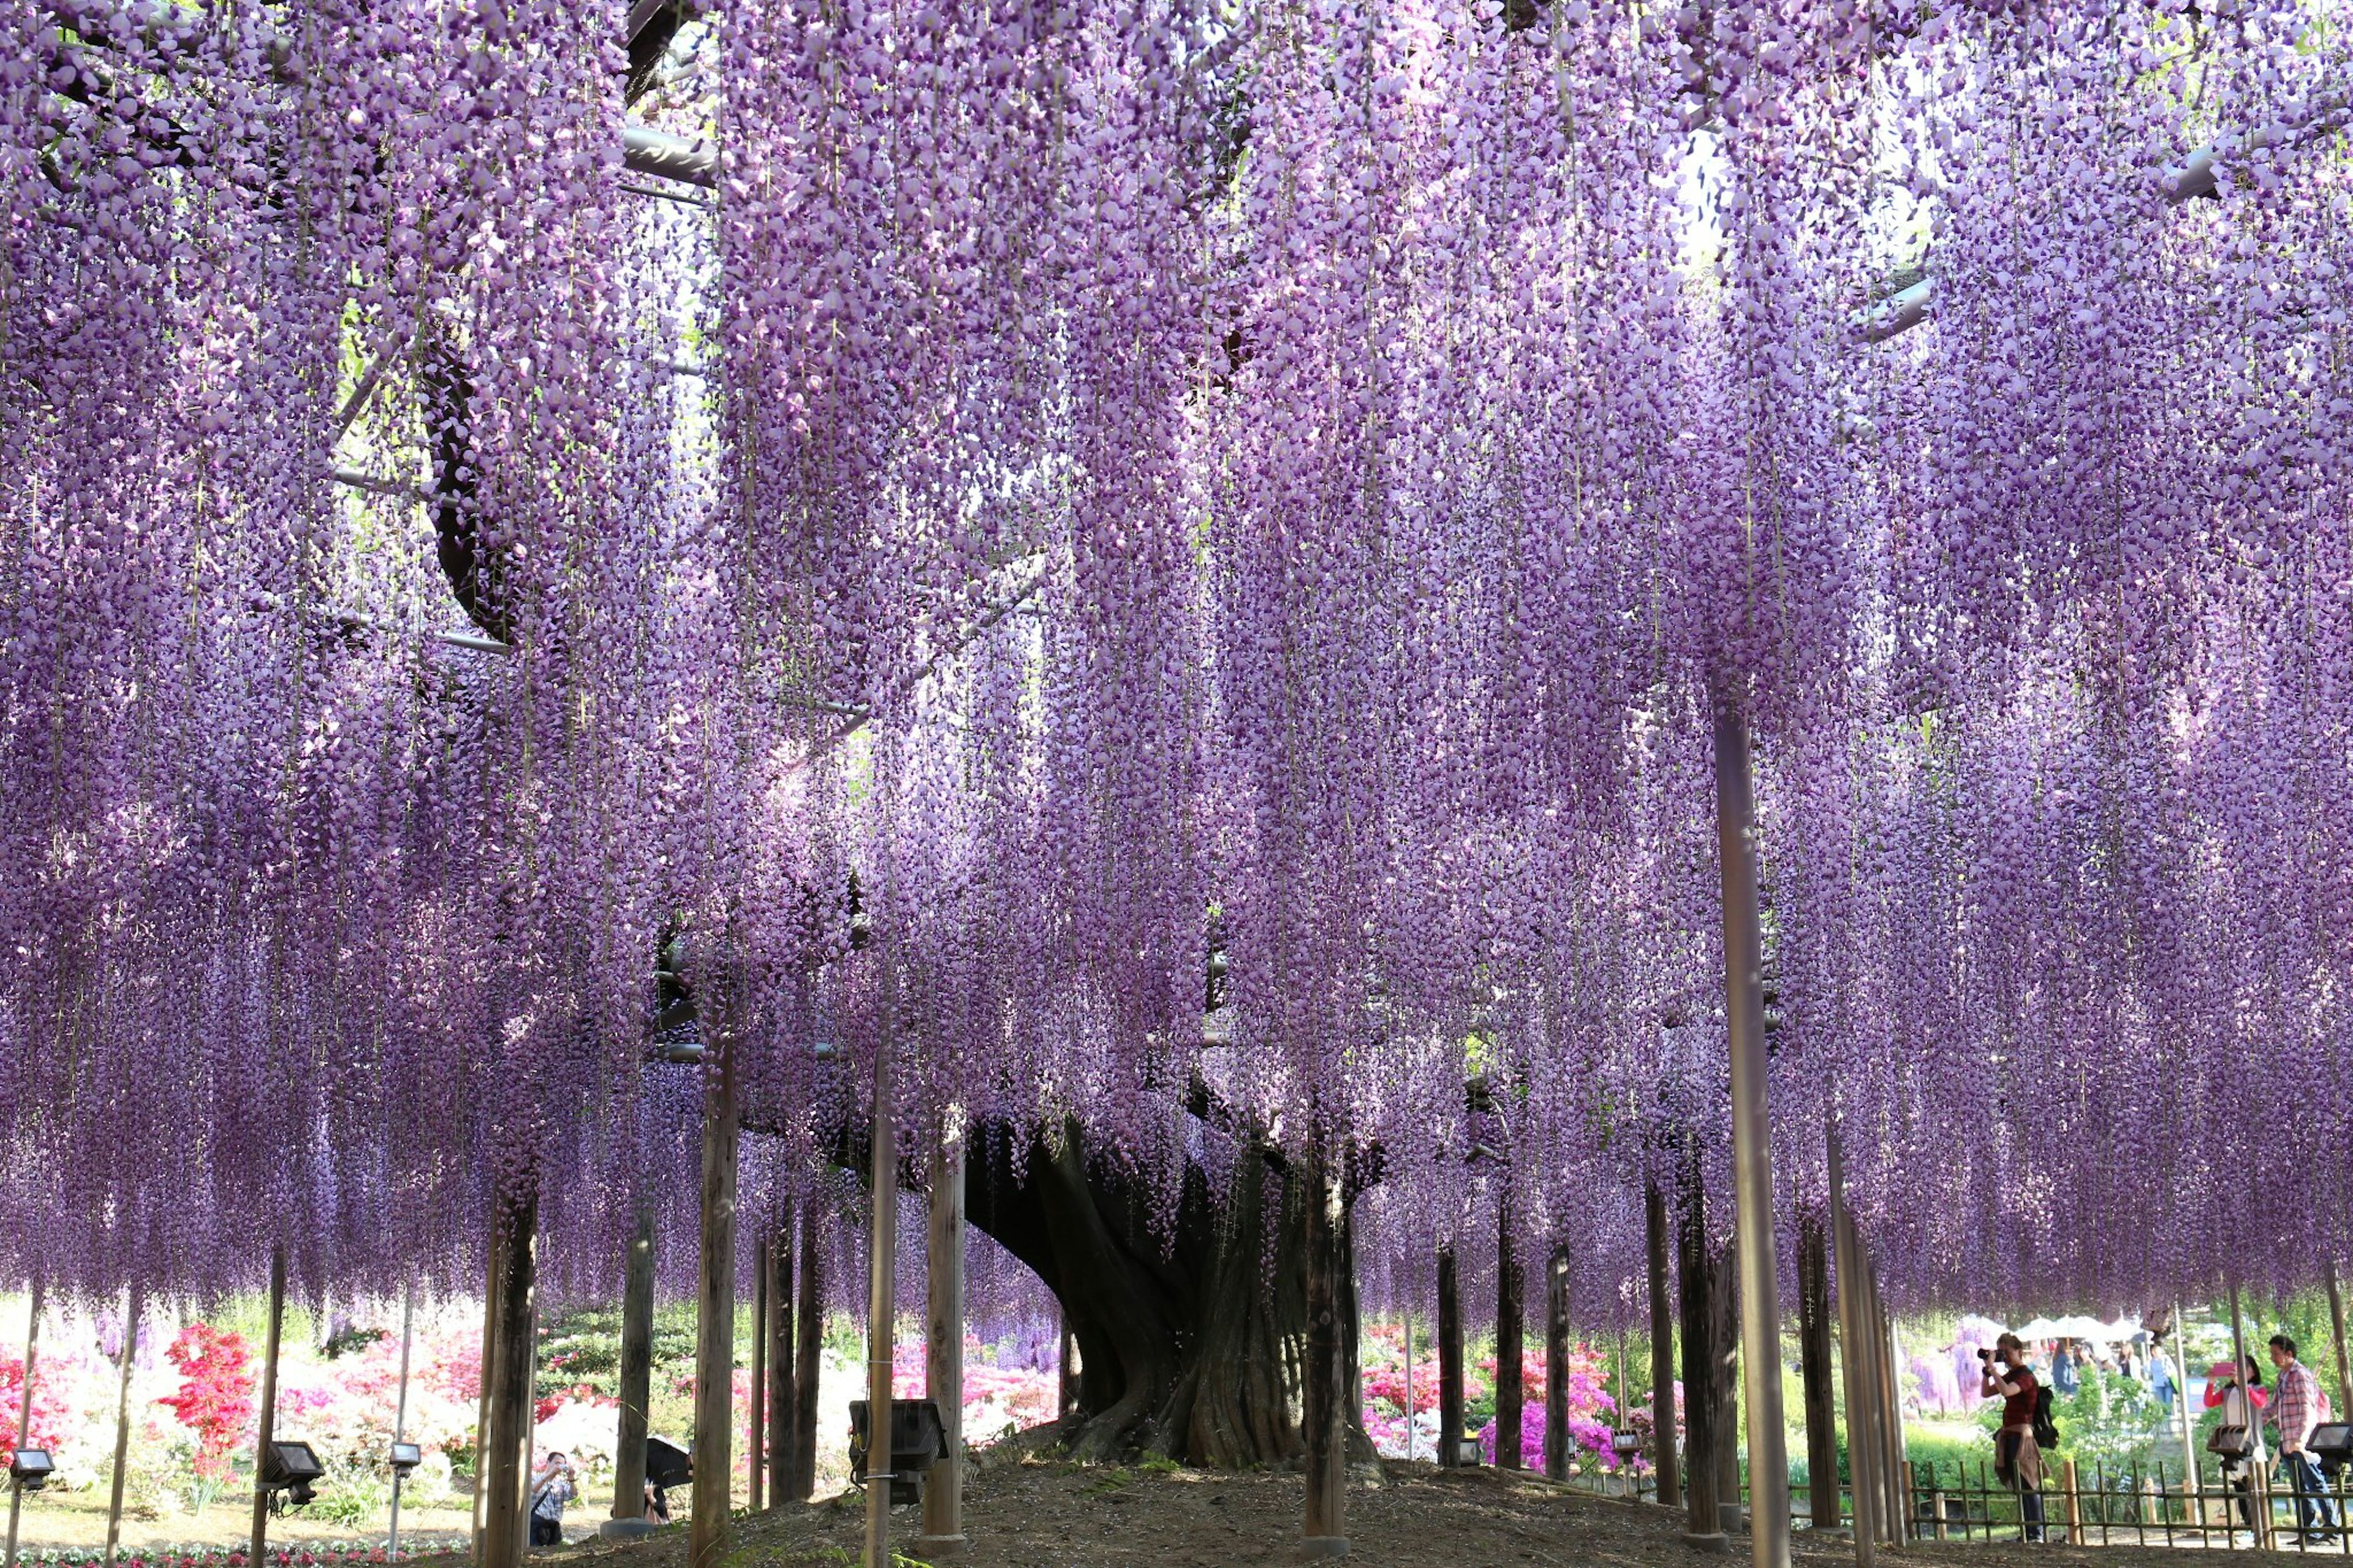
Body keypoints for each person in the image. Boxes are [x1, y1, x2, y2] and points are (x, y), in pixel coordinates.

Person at [2269, 1335, 2340, 1543]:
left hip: (2302, 1440)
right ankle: (2310, 1531)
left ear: (2288, 1354)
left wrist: (2301, 1438)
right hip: (2286, 1439)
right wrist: (2255, 1421)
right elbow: (2273, 1406)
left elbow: (2307, 1408)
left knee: (2316, 1484)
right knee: (2299, 1487)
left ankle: (2332, 1531)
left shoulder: (2300, 1375)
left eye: (2276, 1354)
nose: (2273, 1358)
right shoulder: (2282, 1377)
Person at [1982, 1333, 2047, 1543]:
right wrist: (1987, 1372)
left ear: (2019, 1351)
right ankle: (2028, 1533)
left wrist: (1994, 1369)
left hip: (2022, 1436)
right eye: (2002, 1354)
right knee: (2019, 1484)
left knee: (2029, 1483)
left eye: (2007, 1354)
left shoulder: (2026, 1376)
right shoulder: (2012, 1374)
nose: (2006, 1358)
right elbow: (1986, 1393)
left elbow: (2008, 1392)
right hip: (2009, 1434)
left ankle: (2036, 1534)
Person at [2205, 1357, 2268, 1539]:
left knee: (2256, 1488)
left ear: (2253, 1372)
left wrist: (2243, 1386)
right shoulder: (2227, 1392)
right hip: (2232, 1443)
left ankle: (2262, 1526)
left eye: (2244, 1367)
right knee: (2240, 1490)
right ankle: (2249, 1527)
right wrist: (2211, 1383)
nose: (2239, 1370)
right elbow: (2209, 1402)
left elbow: (2261, 1402)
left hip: (2251, 1442)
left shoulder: (2257, 1389)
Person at [529, 1451, 577, 1548]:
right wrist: (548, 1475)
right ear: (548, 1463)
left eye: (562, 1464)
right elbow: (533, 1491)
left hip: (554, 1526)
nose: (559, 1467)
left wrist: (571, 1479)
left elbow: (573, 1495)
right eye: (557, 1463)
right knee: (535, 1553)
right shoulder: (535, 1479)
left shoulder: (561, 1484)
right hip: (537, 1524)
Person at [2150, 1341, 2177, 1414]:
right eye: (2154, 1352)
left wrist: (2170, 1373)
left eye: (2157, 1352)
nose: (2156, 1354)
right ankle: (2166, 1419)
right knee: (2162, 1403)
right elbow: (2150, 1371)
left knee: (2168, 1402)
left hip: (2167, 1382)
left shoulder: (2165, 1358)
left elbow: (2173, 1368)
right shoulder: (2152, 1361)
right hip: (2158, 1383)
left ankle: (2169, 1418)